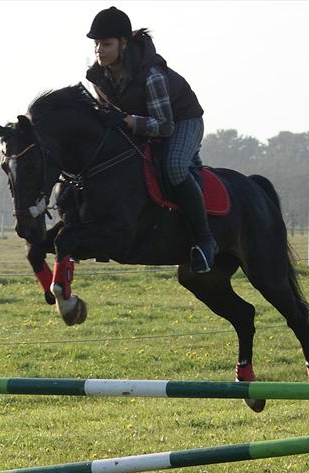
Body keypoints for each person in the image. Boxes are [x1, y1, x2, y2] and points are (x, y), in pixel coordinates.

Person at [84, 6, 217, 273]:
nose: (99, 50)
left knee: (175, 166)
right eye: (97, 44)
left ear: (123, 43)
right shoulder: (99, 77)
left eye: (106, 44)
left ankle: (206, 241)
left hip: (181, 121)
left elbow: (165, 126)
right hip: (146, 124)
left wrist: (127, 121)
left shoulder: (151, 75)